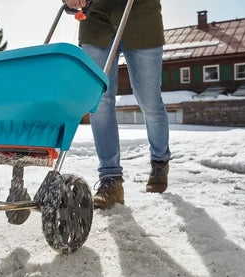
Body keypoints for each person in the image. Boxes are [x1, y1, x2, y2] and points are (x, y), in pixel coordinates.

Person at [65, 0, 171, 209]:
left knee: (148, 99)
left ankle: (160, 161)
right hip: (95, 18)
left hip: (141, 16)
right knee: (100, 99)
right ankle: (111, 179)